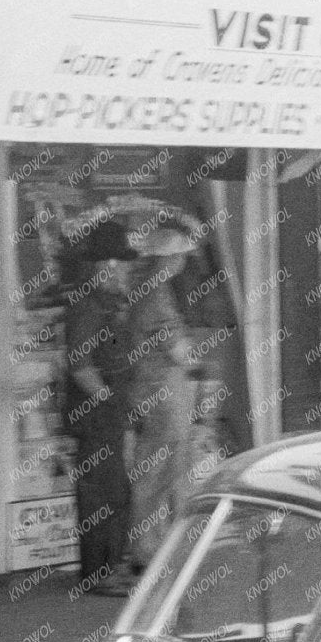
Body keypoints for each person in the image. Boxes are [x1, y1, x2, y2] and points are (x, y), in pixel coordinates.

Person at [63, 218, 138, 592]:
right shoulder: (89, 305)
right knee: (102, 494)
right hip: (96, 416)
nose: (121, 269)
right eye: (116, 262)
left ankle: (110, 568)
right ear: (102, 264)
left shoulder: (109, 302)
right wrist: (106, 399)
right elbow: (79, 364)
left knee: (115, 491)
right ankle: (100, 574)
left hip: (108, 413)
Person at [121, 224, 200, 570]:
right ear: (169, 258)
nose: (184, 261)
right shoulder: (156, 295)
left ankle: (154, 545)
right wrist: (199, 360)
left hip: (152, 389)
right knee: (158, 471)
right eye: (181, 255)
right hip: (162, 393)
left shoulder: (146, 289)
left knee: (156, 469)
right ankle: (146, 549)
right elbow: (179, 350)